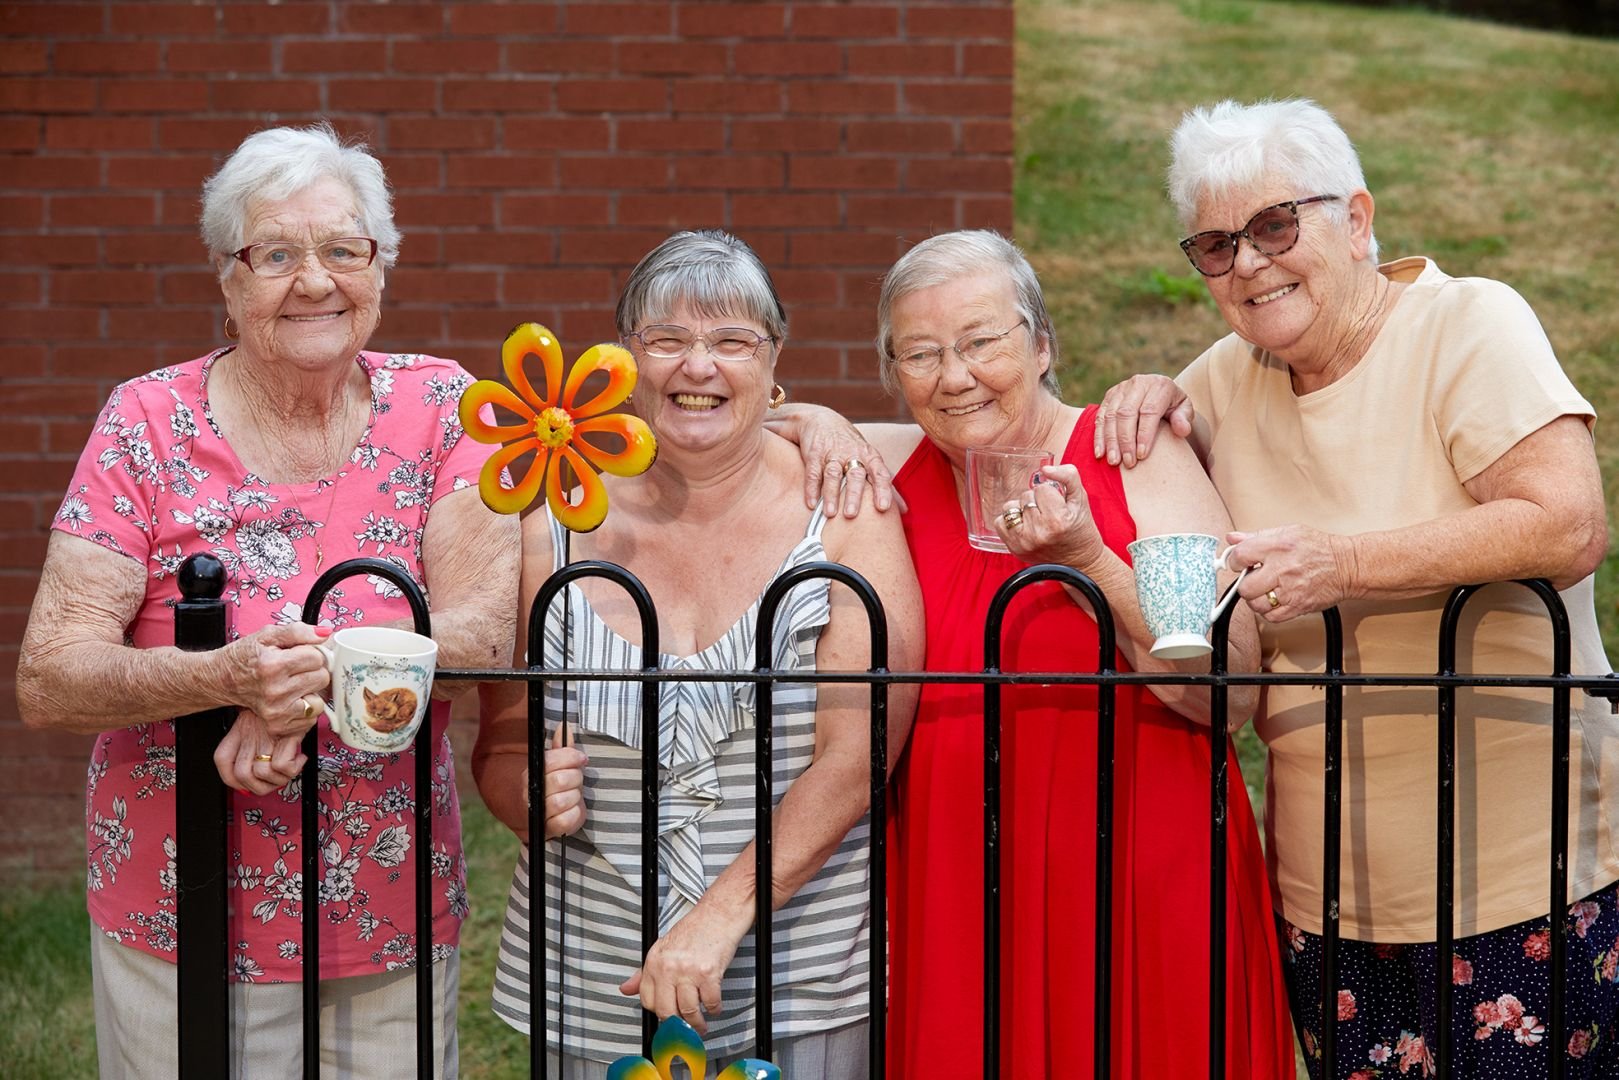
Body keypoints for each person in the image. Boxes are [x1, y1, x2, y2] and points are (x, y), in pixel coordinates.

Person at [1092, 98, 1619, 1078]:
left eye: (1274, 225)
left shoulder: (1467, 326)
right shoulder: (1213, 385)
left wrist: (1341, 564)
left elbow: (1566, 523)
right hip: (1330, 907)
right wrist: (1142, 395)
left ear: (1356, 220)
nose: (1247, 262)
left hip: (1525, 885)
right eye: (1214, 244)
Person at [16, 123, 517, 1079]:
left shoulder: (447, 409)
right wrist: (224, 677)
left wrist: (295, 679)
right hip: (181, 899)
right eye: (275, 254)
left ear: (381, 266)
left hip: (389, 903)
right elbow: (52, 675)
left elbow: (483, 633)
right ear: (228, 277)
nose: (315, 280)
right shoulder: (145, 424)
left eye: (343, 249)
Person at [769, 229, 1295, 1077]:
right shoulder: (896, 469)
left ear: (1041, 342)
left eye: (982, 342)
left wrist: (1089, 558)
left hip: (1138, 873)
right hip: (956, 890)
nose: (954, 375)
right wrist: (819, 420)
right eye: (919, 353)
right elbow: (753, 423)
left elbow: (1226, 693)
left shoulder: (1132, 454)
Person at [472, 229, 924, 1078]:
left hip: (800, 977)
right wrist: (524, 792)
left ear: (773, 358)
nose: (698, 366)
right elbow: (503, 739)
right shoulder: (551, 523)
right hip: (591, 971)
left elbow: (859, 753)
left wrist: (720, 919)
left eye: (730, 342)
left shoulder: (846, 510)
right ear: (620, 363)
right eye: (666, 340)